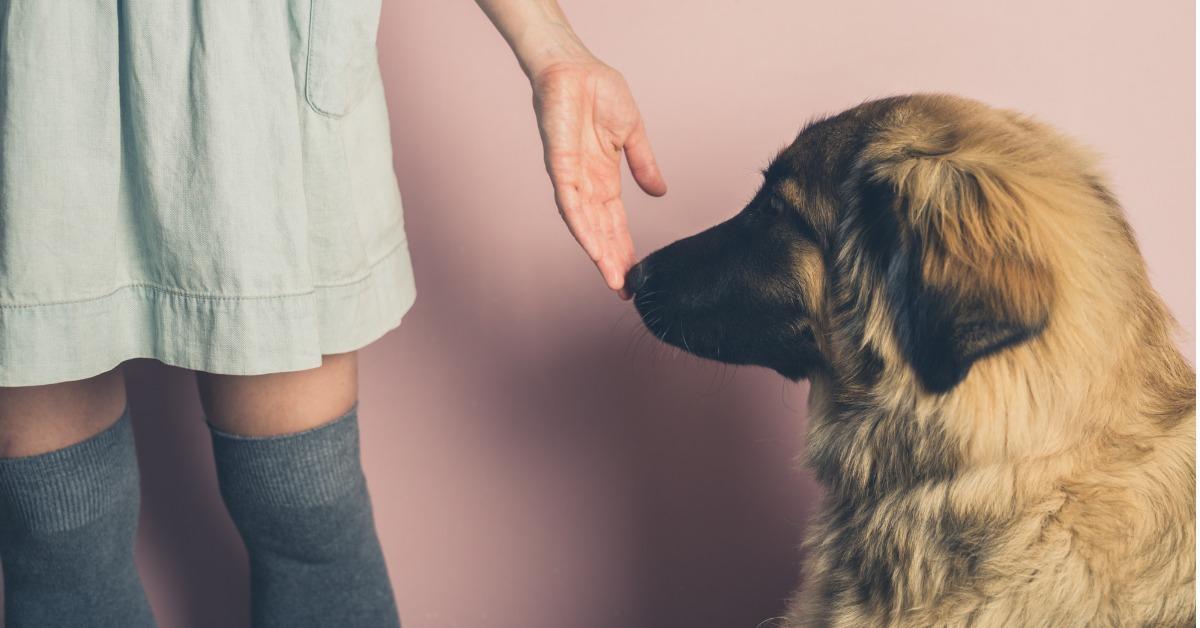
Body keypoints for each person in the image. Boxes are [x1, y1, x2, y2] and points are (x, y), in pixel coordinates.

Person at [0, 0, 665, 626]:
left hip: (253, 59)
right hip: (29, 60)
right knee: (56, 531)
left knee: (306, 510)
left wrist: (553, 50)